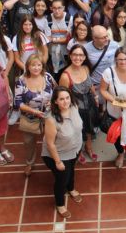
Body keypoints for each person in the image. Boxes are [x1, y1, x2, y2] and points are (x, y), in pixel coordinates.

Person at [42, 86, 84, 218]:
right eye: (61, 99)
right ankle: (60, 204)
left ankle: (71, 189)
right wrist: (58, 161)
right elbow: (50, 144)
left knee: (71, 171)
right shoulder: (51, 119)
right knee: (61, 180)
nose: (66, 102)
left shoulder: (74, 107)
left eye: (67, 98)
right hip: (59, 154)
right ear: (55, 101)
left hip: (75, 149)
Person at [15, 55, 56, 176]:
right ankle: (30, 162)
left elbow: (57, 89)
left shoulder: (48, 77)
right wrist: (33, 111)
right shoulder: (21, 81)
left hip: (49, 115)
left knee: (52, 138)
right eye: (33, 65)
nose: (36, 68)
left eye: (39, 65)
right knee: (29, 141)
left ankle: (54, 158)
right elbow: (18, 103)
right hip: (30, 117)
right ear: (27, 66)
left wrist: (53, 101)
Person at [59, 45, 98, 166]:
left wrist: (95, 96)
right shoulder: (65, 76)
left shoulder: (85, 68)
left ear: (85, 57)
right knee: (78, 130)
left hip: (90, 103)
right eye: (75, 54)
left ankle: (89, 147)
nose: (78, 58)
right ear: (70, 56)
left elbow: (90, 84)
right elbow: (63, 96)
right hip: (76, 108)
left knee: (90, 127)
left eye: (81, 55)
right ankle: (79, 151)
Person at [84, 25, 119, 90]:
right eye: (103, 37)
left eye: (107, 36)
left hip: (112, 84)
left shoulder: (115, 46)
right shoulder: (86, 49)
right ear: (94, 38)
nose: (107, 39)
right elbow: (83, 69)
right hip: (96, 86)